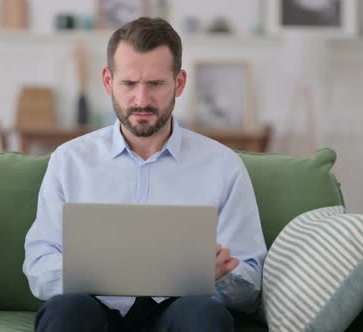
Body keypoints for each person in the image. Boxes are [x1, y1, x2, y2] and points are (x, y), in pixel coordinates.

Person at [23, 17, 267, 332]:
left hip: (181, 309)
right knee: (65, 311)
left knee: (204, 315)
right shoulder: (69, 161)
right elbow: (39, 263)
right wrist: (87, 274)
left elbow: (249, 282)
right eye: (128, 84)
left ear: (179, 83)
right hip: (94, 307)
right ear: (108, 81)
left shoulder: (223, 166)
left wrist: (222, 278)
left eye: (155, 84)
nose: (141, 100)